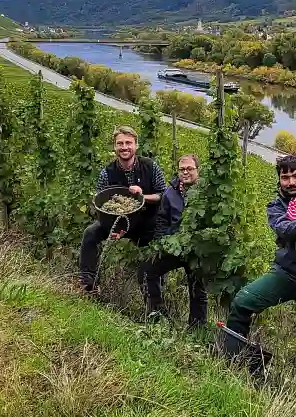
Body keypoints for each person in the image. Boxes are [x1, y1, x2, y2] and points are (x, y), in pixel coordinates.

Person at [225, 154, 296, 376]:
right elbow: (285, 229)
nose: (291, 182)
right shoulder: (275, 206)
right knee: (243, 302)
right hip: (287, 274)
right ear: (279, 180)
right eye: (285, 177)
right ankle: (232, 362)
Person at [78, 126, 168, 292]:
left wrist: (143, 197)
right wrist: (113, 228)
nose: (124, 147)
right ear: (115, 146)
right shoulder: (107, 172)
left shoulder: (150, 167)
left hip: (147, 222)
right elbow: (101, 202)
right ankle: (88, 284)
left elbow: (162, 194)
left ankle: (154, 295)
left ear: (136, 145)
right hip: (118, 221)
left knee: (153, 254)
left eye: (128, 143)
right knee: (90, 233)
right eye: (120, 143)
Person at [140, 154, 208, 326]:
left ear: (198, 170)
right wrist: (159, 245)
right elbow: (162, 220)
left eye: (189, 169)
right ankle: (157, 315)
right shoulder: (170, 193)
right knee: (148, 270)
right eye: (181, 169)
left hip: (197, 250)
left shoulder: (207, 192)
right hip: (175, 246)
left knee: (197, 289)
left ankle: (197, 328)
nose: (185, 172)